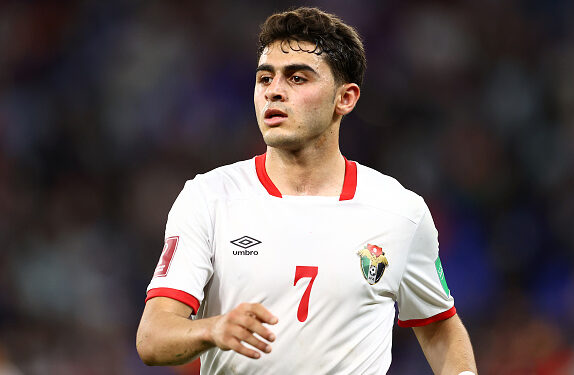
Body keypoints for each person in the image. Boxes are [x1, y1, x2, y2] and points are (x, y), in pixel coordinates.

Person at [136, 6, 478, 375]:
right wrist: (212, 328)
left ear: (345, 98)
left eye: (297, 78)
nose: (274, 92)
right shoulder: (209, 198)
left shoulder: (399, 212)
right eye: (265, 79)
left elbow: (439, 325)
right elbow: (153, 338)